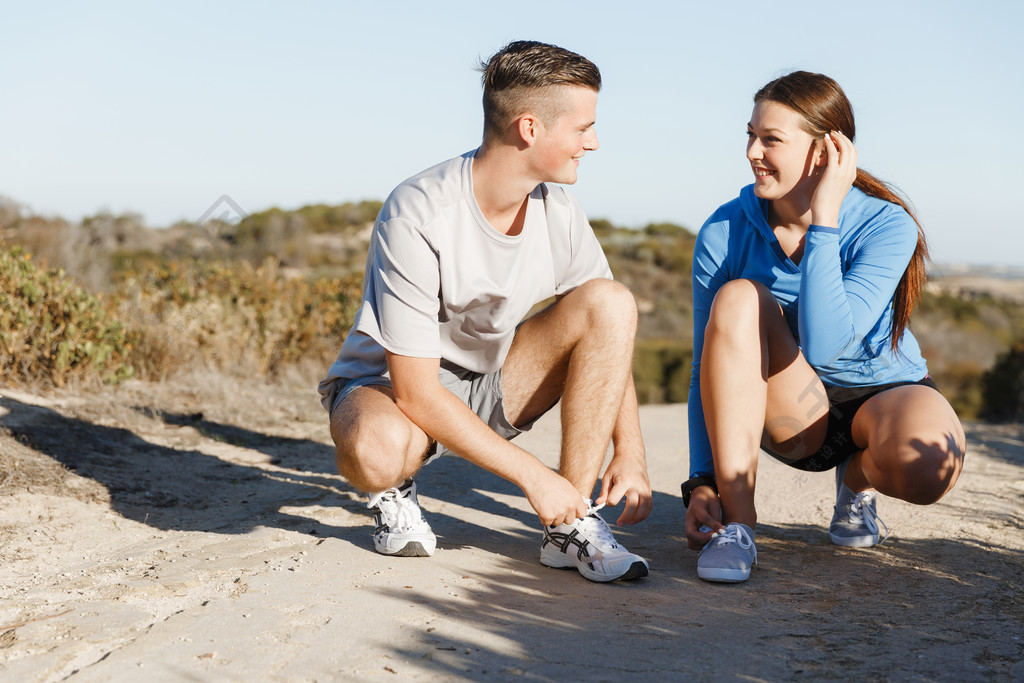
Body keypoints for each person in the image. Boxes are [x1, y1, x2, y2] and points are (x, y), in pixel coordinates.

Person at [318, 40, 651, 583]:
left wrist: (630, 449)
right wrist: (533, 477)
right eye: (582, 127)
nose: (592, 142)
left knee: (610, 300)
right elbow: (416, 392)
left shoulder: (558, 209)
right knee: (378, 453)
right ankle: (395, 489)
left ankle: (571, 525)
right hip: (390, 390)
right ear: (529, 129)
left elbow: (610, 332)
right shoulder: (418, 211)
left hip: (490, 383)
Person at [682, 71, 966, 583]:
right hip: (794, 414)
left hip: (883, 392)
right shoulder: (725, 230)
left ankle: (855, 482)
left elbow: (832, 344)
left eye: (770, 140)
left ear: (825, 152)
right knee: (738, 297)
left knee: (930, 470)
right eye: (750, 134)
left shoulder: (887, 224)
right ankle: (739, 527)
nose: (752, 152)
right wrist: (700, 481)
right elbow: (706, 366)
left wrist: (825, 220)